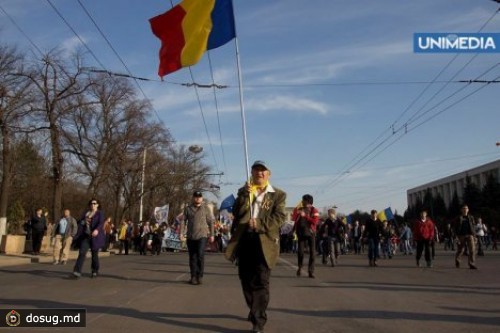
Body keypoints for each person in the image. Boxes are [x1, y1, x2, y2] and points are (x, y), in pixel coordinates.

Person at [225, 160, 286, 333]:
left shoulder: (278, 195)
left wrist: (258, 223)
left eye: (263, 170)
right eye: (256, 170)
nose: (259, 173)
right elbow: (237, 213)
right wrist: (245, 195)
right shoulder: (244, 191)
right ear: (251, 173)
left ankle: (259, 321)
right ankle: (254, 309)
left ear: (268, 174)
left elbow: (279, 218)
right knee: (245, 279)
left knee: (261, 281)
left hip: (265, 242)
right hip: (244, 240)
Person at [179, 191, 215, 285]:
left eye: (199, 197)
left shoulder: (205, 208)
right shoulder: (188, 209)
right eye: (196, 197)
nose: (198, 198)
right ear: (193, 198)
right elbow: (183, 221)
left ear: (202, 198)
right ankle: (193, 277)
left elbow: (211, 222)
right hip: (191, 236)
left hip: (202, 235)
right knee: (192, 257)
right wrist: (181, 233)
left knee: (200, 254)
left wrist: (212, 235)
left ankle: (200, 276)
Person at [70, 198, 105, 279]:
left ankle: (95, 270)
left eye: (94, 203)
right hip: (85, 236)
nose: (92, 205)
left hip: (95, 236)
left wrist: (97, 230)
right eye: (91, 203)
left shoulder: (100, 213)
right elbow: (81, 222)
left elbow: (101, 223)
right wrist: (81, 223)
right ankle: (77, 272)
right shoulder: (86, 213)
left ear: (97, 205)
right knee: (82, 253)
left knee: (94, 254)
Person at [292, 194, 319, 278]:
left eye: (303, 200)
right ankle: (300, 267)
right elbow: (295, 221)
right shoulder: (299, 209)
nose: (302, 201)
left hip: (311, 233)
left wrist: (306, 216)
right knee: (300, 252)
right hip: (301, 233)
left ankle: (311, 271)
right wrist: (293, 230)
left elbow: (315, 222)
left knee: (312, 253)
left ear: (308, 202)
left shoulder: (314, 210)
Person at [454, 205, 477, 269]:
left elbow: (473, 227)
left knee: (472, 249)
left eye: (466, 208)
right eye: (463, 208)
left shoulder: (471, 217)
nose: (465, 209)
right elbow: (455, 228)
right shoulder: (458, 218)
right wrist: (456, 236)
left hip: (470, 235)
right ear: (461, 210)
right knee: (461, 250)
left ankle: (471, 263)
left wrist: (475, 236)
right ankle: (457, 261)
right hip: (461, 235)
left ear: (468, 210)